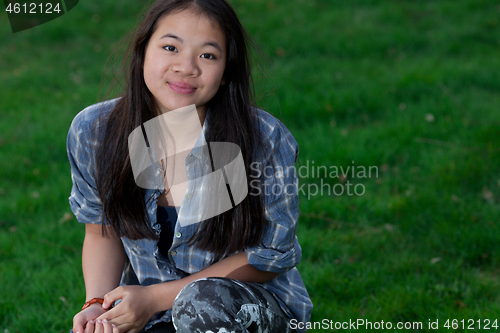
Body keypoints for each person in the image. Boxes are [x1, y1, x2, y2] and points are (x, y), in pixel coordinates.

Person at [67, 0, 312, 332]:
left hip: (245, 312)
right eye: (170, 47)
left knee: (201, 304)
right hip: (150, 315)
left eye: (208, 55)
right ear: (143, 53)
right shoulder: (94, 131)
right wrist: (98, 305)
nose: (186, 67)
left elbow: (270, 256)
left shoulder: (264, 141)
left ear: (226, 73)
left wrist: (154, 298)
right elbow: (100, 230)